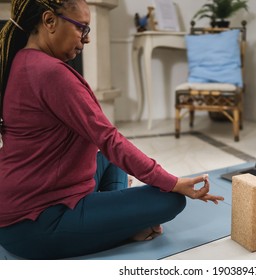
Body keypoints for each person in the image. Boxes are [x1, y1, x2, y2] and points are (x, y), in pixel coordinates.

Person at [0, 0, 224, 260]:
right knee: (170, 200)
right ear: (49, 21)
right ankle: (121, 225)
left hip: (24, 206)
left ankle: (112, 220)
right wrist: (174, 182)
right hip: (37, 224)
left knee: (108, 158)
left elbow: (106, 144)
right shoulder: (51, 73)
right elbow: (108, 138)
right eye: (82, 28)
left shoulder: (21, 60)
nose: (87, 40)